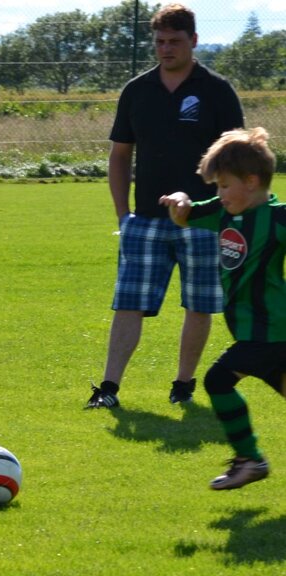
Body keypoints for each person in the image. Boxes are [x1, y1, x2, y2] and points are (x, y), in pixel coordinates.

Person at [87, 3, 244, 409]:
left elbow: (236, 158)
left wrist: (225, 209)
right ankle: (108, 388)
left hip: (203, 219)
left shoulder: (217, 91)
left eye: (175, 41)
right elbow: (120, 154)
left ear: (194, 40)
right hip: (146, 221)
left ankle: (183, 386)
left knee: (198, 305)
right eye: (160, 41)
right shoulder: (137, 90)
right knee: (128, 303)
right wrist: (123, 215)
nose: (166, 48)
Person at [160, 127, 286, 490]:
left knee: (218, 380)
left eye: (225, 185)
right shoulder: (223, 211)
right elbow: (185, 215)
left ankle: (250, 460)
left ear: (252, 181)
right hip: (253, 330)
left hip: (270, 329)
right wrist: (180, 200)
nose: (219, 194)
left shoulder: (278, 219)